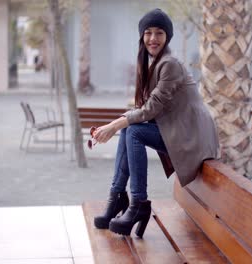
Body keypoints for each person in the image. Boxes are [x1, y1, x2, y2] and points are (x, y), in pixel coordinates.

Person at [92, 8, 220, 238]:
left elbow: (152, 108)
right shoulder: (152, 63)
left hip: (192, 137)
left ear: (167, 37)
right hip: (178, 131)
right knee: (131, 129)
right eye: (148, 32)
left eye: (159, 33)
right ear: (142, 36)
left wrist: (113, 126)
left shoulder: (169, 64)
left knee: (132, 132)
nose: (152, 38)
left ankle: (138, 203)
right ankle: (117, 197)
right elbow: (146, 108)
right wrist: (118, 124)